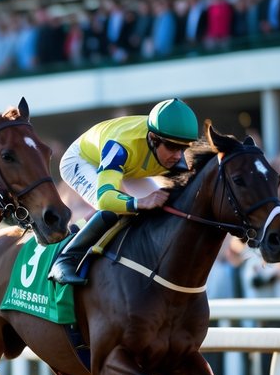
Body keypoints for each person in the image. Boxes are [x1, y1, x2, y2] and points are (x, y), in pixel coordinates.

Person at [48, 98, 199, 285]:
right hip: (83, 160)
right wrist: (138, 202)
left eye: (183, 148)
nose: (178, 155)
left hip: (131, 167)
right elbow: (105, 199)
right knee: (114, 208)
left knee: (164, 204)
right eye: (171, 147)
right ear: (153, 139)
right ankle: (65, 259)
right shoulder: (120, 146)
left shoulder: (175, 154)